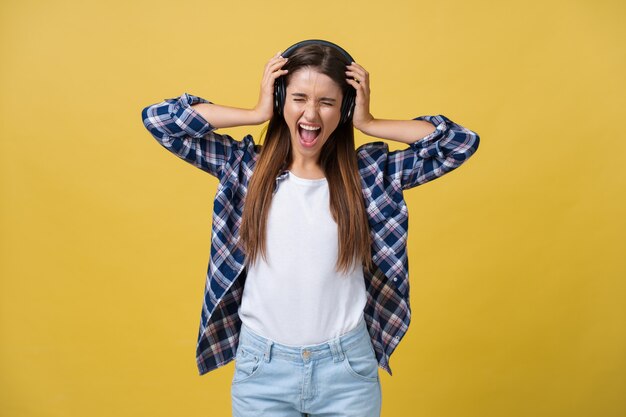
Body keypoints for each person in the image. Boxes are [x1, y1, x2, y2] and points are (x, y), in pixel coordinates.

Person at [141, 39, 480, 417]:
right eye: (299, 98)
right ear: (281, 99)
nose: (311, 114)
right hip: (262, 371)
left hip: (347, 372)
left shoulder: (368, 176)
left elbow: (459, 144)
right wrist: (256, 113)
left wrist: (370, 123)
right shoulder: (244, 168)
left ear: (345, 108)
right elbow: (160, 120)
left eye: (328, 102)